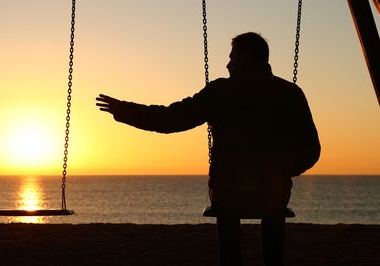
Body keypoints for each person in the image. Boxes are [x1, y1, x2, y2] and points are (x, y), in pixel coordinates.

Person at [96, 32, 320, 266]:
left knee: (227, 203)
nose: (228, 63)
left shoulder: (221, 91)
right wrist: (284, 170)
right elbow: (312, 149)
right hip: (274, 191)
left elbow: (171, 119)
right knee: (274, 200)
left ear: (246, 58)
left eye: (232, 57)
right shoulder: (291, 93)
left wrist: (124, 111)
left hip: (229, 192)